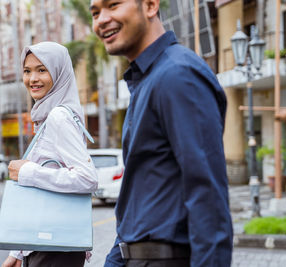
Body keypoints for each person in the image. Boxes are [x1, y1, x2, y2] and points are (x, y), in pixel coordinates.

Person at [89, 0, 233, 266]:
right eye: (96, 12)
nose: (101, 20)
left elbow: (208, 201)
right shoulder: (147, 80)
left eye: (113, 5)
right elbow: (136, 208)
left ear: (151, 6)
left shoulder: (177, 75)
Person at [1, 42, 98, 267]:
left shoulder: (58, 117)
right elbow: (41, 195)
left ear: (59, 72)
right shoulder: (47, 116)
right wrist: (18, 252)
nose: (32, 78)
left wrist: (27, 172)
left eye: (42, 70)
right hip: (44, 241)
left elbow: (87, 178)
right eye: (27, 71)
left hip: (55, 248)